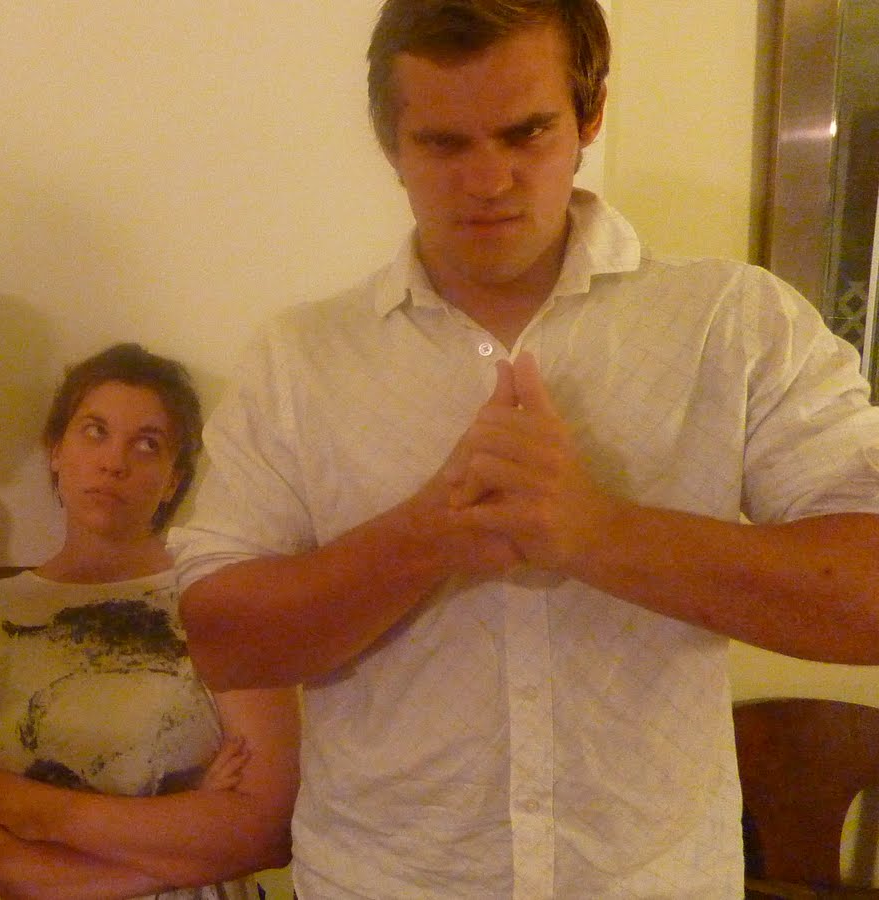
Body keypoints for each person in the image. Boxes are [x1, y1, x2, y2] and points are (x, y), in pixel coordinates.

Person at [170, 1, 879, 896]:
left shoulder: (734, 324)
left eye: (527, 132)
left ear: (589, 114)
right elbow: (224, 643)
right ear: (390, 144)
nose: (488, 179)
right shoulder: (300, 357)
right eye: (443, 143)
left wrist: (594, 532)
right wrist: (428, 535)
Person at [0, 343, 300, 900]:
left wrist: (50, 812)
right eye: (95, 431)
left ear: (173, 480)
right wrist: (180, 847)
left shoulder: (224, 604)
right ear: (55, 450)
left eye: (147, 444)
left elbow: (267, 831)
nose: (114, 463)